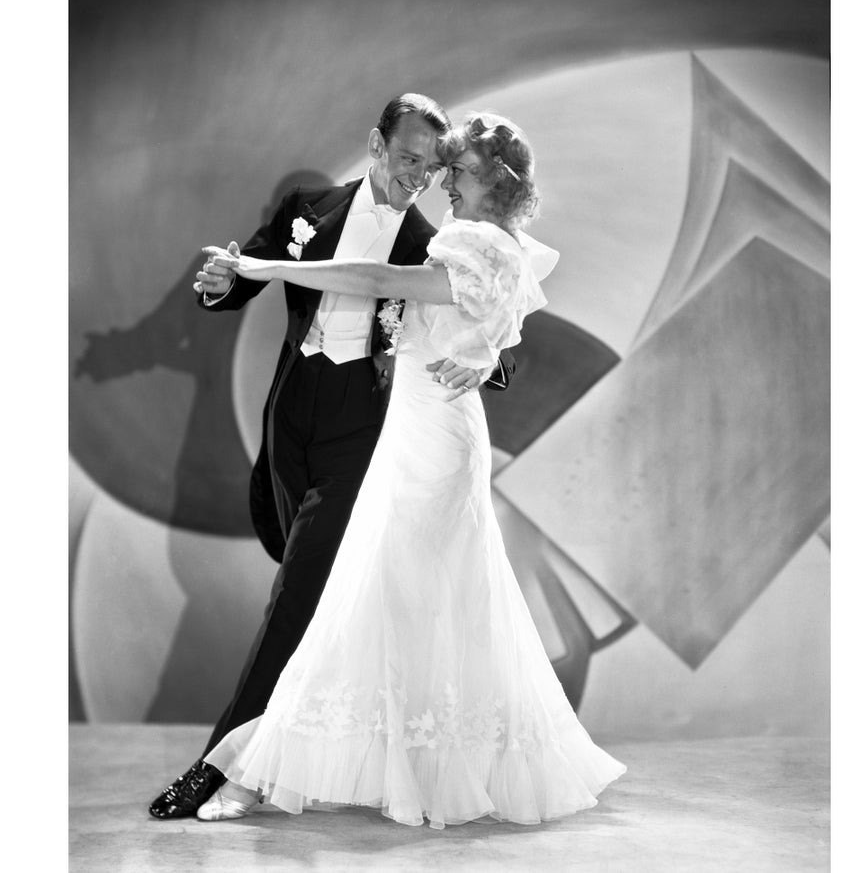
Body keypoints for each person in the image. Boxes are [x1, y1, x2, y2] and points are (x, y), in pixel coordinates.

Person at [193, 112, 626, 829]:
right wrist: (483, 351)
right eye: (435, 166)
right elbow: (492, 324)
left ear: (492, 180)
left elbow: (375, 278)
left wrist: (267, 268)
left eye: (454, 171)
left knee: (361, 597)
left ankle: (258, 769)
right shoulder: (506, 247)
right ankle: (419, 761)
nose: (441, 183)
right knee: (423, 599)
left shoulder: (463, 240)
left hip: (427, 440)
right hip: (433, 434)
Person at [148, 94, 516, 820]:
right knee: (308, 587)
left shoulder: (432, 242)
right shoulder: (306, 208)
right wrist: (223, 283)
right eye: (406, 159)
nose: (415, 179)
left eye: (428, 167)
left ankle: (218, 768)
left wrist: (488, 365)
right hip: (291, 420)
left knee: (296, 597)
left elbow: (492, 320)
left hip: (365, 433)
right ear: (376, 147)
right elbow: (245, 272)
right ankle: (323, 750)